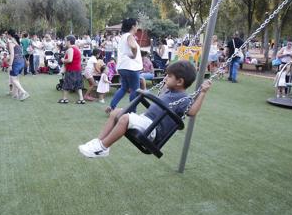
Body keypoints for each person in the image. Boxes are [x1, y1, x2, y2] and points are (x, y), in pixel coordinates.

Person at [78, 60, 212, 158]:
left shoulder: (184, 98)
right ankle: (98, 142)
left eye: (169, 76)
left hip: (153, 130)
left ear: (180, 82)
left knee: (125, 118)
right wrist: (167, 78)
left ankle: (103, 147)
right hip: (145, 121)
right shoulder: (169, 90)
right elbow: (165, 87)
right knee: (116, 112)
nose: (166, 78)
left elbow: (192, 111)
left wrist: (203, 93)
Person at [106, 18, 143, 113]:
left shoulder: (122, 37)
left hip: (122, 67)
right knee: (135, 89)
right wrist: (134, 55)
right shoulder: (130, 36)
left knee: (124, 88)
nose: (137, 27)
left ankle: (112, 106)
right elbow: (133, 47)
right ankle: (132, 112)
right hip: (131, 67)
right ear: (133, 26)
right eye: (137, 25)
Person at [58, 35, 85, 104]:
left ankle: (64, 99)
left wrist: (63, 60)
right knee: (78, 84)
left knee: (66, 84)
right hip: (77, 69)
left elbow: (70, 60)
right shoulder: (77, 48)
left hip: (71, 69)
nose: (65, 42)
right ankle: (81, 99)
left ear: (69, 41)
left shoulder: (70, 49)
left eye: (66, 41)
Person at [5, 29, 30, 101]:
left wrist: (10, 65)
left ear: (9, 35)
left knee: (13, 79)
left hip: (16, 62)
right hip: (21, 62)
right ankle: (16, 94)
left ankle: (24, 92)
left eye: (7, 34)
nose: (6, 36)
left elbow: (12, 54)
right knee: (16, 78)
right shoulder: (17, 43)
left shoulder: (10, 43)